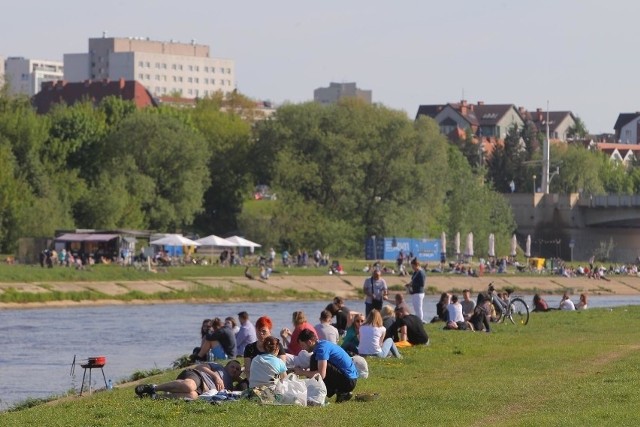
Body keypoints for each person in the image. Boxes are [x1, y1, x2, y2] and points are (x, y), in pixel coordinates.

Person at [294, 329, 358, 403]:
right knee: (314, 361)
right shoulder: (322, 344)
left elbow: (321, 374)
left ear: (309, 342)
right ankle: (342, 393)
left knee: (314, 360)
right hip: (349, 378)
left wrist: (302, 372)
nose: (302, 349)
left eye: (302, 345)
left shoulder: (321, 349)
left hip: (348, 381)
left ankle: (318, 394)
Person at [135, 359, 244, 399]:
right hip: (197, 376)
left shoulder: (231, 387)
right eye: (232, 366)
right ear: (226, 366)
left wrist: (238, 377)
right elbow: (199, 367)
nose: (234, 369)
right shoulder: (219, 367)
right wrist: (216, 376)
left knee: (192, 396)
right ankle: (153, 388)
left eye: (237, 369)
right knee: (189, 386)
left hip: (200, 391)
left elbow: (244, 384)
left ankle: (156, 397)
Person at [244, 316, 287, 383]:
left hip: (273, 381)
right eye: (258, 330)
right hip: (254, 380)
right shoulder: (249, 348)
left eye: (264, 331)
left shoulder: (277, 346)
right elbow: (247, 370)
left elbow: (282, 369)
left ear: (269, 331)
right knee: (242, 386)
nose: (261, 333)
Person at [405, 258, 426, 322]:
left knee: (419, 308)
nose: (412, 268)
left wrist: (412, 285)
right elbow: (413, 280)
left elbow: (422, 284)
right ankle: (418, 320)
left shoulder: (421, 272)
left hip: (419, 293)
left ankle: (420, 320)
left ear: (416, 265)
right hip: (415, 292)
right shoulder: (416, 272)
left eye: (413, 266)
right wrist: (409, 284)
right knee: (416, 308)